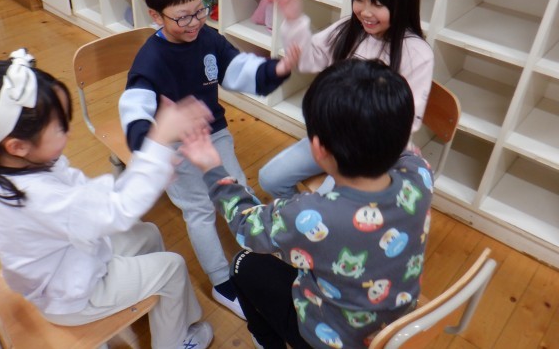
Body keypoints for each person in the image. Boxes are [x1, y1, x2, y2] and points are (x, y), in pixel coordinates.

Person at [0, 49, 215, 349]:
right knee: (173, 267)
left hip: (63, 268)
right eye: (60, 127)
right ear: (17, 146)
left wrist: (148, 170)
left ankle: (158, 310)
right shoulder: (41, 197)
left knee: (147, 234)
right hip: (73, 295)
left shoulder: (3, 163)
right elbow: (117, 210)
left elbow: (90, 201)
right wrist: (157, 146)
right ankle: (174, 343)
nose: (68, 133)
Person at [181, 58, 434, 348]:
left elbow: (245, 224)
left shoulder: (312, 215)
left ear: (318, 148)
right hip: (397, 328)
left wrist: (212, 168)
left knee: (242, 264)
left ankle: (266, 341)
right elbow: (409, 153)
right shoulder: (420, 175)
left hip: (329, 339)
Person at [118, 0, 299, 319]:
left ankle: (260, 252)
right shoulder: (149, 59)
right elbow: (135, 108)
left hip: (214, 132)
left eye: (199, 11)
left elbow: (238, 69)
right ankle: (221, 281)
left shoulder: (208, 37)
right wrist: (152, 146)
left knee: (237, 188)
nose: (194, 23)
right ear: (156, 16)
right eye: (182, 18)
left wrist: (275, 69)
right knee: (199, 209)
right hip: (176, 143)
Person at [259, 0, 434, 199]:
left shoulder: (417, 54)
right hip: (332, 138)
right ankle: (306, 217)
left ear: (403, 3)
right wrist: (295, 21)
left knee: (331, 203)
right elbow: (307, 61)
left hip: (373, 154)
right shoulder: (348, 29)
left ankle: (315, 217)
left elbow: (407, 121)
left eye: (378, 3)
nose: (365, 11)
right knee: (269, 178)